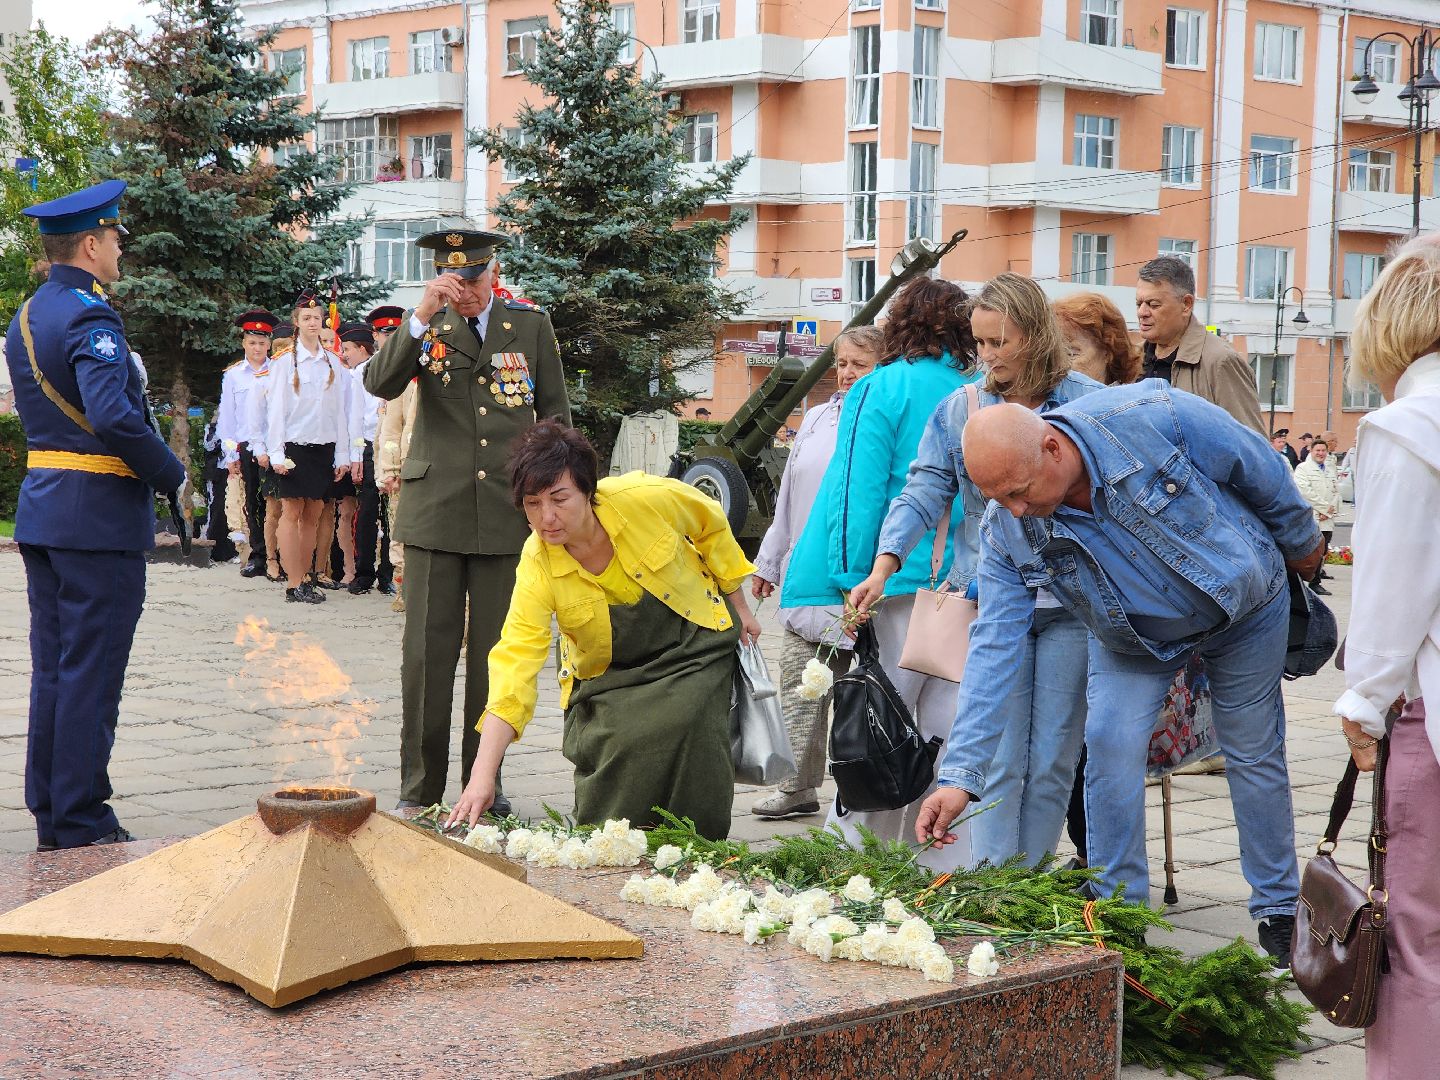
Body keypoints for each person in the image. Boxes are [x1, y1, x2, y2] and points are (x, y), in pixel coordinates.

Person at [914, 389, 1324, 969]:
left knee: (1254, 752)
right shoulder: (1007, 532)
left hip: (1245, 607)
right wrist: (960, 777)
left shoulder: (1153, 418)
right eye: (995, 499)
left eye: (1018, 492)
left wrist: (1305, 548)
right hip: (1133, 637)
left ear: (1052, 449)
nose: (1013, 512)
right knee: (1106, 744)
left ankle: (1279, 910)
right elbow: (992, 650)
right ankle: (1118, 917)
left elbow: (1256, 466)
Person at [853, 274, 1103, 866]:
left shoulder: (1086, 401)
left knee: (1053, 759)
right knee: (997, 758)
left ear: (1037, 336)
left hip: (1072, 605)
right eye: (981, 343)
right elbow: (923, 490)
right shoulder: (960, 407)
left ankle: (1028, 879)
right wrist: (884, 566)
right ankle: (991, 881)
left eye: (1000, 343)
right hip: (991, 603)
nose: (987, 357)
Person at [445, 422, 761, 837]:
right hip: (610, 675)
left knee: (686, 723)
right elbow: (515, 660)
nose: (547, 517)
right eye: (532, 504)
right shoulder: (538, 563)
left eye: (560, 499)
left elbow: (710, 522)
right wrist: (482, 775)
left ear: (587, 492)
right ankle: (606, 850)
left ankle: (696, 850)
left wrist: (741, 607)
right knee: (617, 744)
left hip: (692, 646)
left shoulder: (644, 498)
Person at [4, 179, 186, 849]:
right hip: (97, 522)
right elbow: (112, 414)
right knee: (93, 670)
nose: (119, 249)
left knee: (56, 668)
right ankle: (82, 819)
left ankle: (54, 809)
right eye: (113, 238)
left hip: (46, 512)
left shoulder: (26, 316)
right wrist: (171, 472)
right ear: (88, 244)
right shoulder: (89, 315)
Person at [364, 228, 570, 812]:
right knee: (426, 657)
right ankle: (420, 790)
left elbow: (555, 415)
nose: (468, 293)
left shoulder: (529, 325)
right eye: (455, 283)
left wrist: (557, 501)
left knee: (496, 656)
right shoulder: (426, 324)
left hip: (507, 513)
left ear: (493, 271)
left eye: (475, 280)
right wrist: (419, 315)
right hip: (435, 513)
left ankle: (486, 784)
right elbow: (378, 382)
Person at [781, 276, 981, 871]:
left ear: (900, 325)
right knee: (947, 729)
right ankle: (946, 866)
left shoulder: (879, 387)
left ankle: (858, 863)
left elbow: (856, 493)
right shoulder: (976, 389)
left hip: (893, 582)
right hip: (960, 584)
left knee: (876, 723)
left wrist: (851, 577)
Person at [1331, 235, 1440, 1077]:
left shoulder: (1409, 426)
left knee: (1415, 928)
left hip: (1432, 719)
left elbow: (1393, 584)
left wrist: (1363, 703)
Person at [750, 325, 883, 820]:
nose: (846, 374)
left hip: (861, 577)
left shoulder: (882, 417)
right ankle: (797, 787)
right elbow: (789, 494)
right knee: (801, 685)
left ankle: (863, 789)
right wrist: (769, 560)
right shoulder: (819, 417)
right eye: (842, 363)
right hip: (807, 573)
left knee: (861, 693)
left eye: (859, 364)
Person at [257, 288, 358, 604]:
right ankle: (293, 582)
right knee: (291, 510)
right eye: (307, 318)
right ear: (297, 323)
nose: (313, 322)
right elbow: (275, 410)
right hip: (293, 446)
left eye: (317, 317)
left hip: (323, 446)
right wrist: (275, 452)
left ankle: (307, 578)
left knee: (314, 512)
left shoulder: (333, 362)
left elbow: (341, 411)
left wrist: (343, 453)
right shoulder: (285, 361)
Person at [1135, 256, 1264, 433]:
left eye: (1153, 304)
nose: (1142, 312)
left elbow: (1252, 448)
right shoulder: (1133, 357)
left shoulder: (1220, 361)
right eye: (1139, 303)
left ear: (1186, 304)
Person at [217, 309, 277, 577]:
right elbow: (227, 418)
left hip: (274, 444)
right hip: (246, 445)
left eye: (262, 343)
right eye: (252, 343)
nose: (257, 348)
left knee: (275, 502)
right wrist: (230, 454)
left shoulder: (277, 371)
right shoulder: (234, 375)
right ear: (244, 343)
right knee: (252, 502)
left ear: (269, 344)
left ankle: (278, 555)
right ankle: (259, 555)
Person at [338, 321, 389, 595]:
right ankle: (365, 573)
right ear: (375, 337)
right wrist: (357, 455)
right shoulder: (361, 373)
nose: (388, 338)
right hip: (370, 445)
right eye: (384, 333)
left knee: (393, 516)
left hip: (396, 446)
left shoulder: (406, 366)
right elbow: (355, 419)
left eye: (394, 333)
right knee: (368, 512)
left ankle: (389, 574)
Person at [376, 371, 417, 612]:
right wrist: (390, 468)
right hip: (406, 467)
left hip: (443, 471)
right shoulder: (407, 379)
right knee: (402, 530)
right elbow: (391, 427)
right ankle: (402, 588)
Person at [1052, 291, 1141, 387]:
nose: (1060, 366)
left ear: (1107, 352)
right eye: (1056, 355)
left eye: (1071, 354)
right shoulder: (1056, 398)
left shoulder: (1124, 400)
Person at [1291, 438, 1338, 594]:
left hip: (1327, 519)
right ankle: (1301, 584)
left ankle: (1316, 582)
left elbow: (1336, 492)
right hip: (1313, 516)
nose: (1321, 453)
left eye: (1323, 450)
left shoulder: (1330, 469)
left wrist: (1332, 510)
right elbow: (1305, 492)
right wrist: (1324, 509)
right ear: (1311, 451)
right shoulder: (1303, 469)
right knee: (1309, 550)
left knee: (1323, 550)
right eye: (1317, 450)